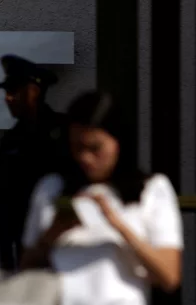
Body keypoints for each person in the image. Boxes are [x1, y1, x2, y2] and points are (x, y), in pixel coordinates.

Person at [19, 90, 183, 305]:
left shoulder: (151, 189)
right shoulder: (52, 187)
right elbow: (25, 268)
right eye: (77, 147)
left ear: (118, 142)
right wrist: (52, 235)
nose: (85, 158)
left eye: (95, 148)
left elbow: (169, 277)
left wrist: (119, 225)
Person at [0, 54, 75, 272]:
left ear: (34, 91)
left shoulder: (65, 131)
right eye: (7, 92)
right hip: (26, 248)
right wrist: (5, 253)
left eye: (14, 91)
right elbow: (2, 199)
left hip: (66, 245)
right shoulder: (10, 140)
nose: (8, 98)